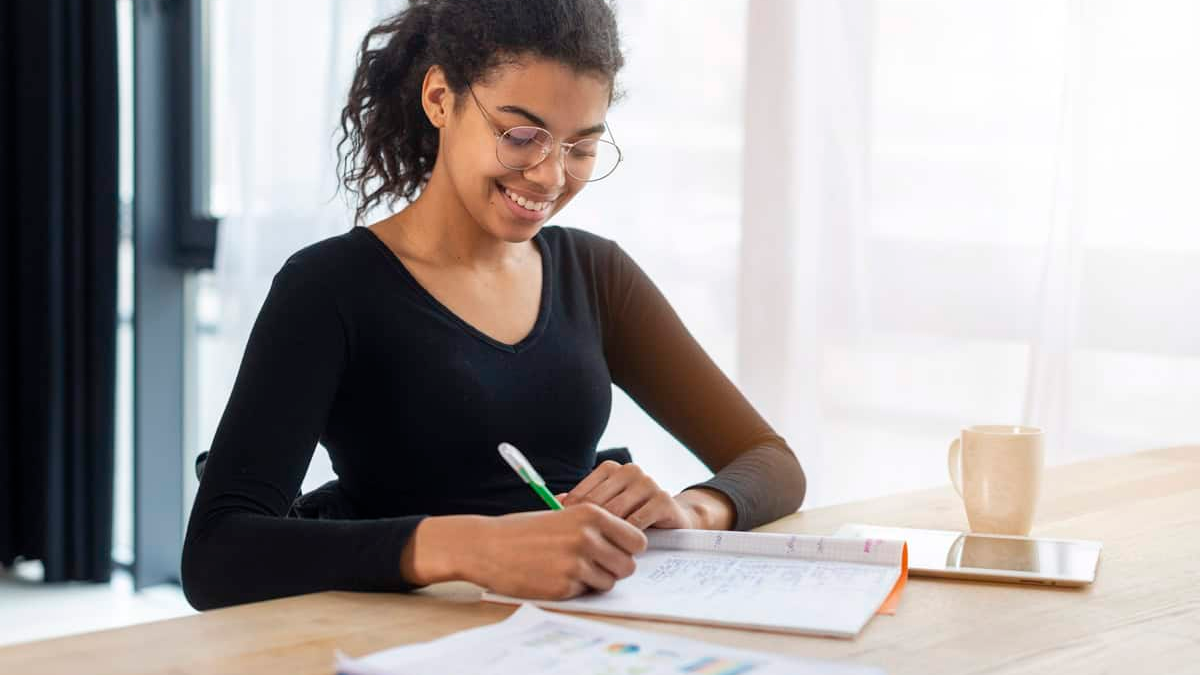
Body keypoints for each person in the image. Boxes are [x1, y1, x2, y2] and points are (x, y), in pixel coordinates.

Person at [181, 0, 805, 611]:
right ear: (440, 99)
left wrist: (691, 509)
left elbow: (771, 463)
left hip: (575, 638)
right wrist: (469, 545)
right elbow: (217, 554)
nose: (550, 177)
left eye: (580, 147)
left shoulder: (595, 273)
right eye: (521, 134)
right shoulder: (327, 288)